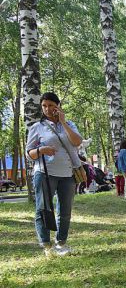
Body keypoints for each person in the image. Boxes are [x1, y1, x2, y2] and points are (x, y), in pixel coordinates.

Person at [25, 92, 83, 256]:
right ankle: (46, 245)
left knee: (65, 210)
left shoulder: (69, 124)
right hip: (44, 173)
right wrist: (41, 149)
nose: (47, 109)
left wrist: (63, 122)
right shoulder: (37, 127)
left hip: (67, 174)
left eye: (51, 105)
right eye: (44, 106)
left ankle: (61, 243)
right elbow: (28, 153)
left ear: (58, 106)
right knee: (43, 208)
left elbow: (77, 142)